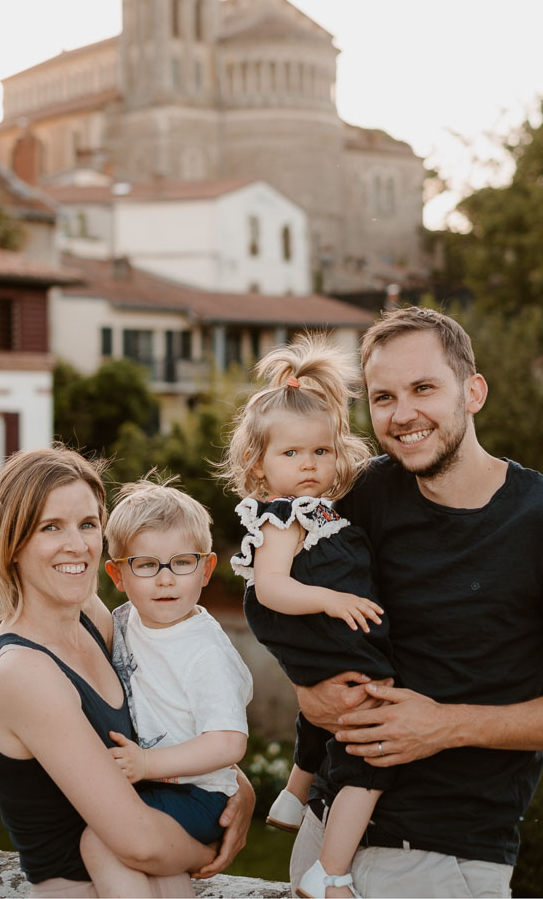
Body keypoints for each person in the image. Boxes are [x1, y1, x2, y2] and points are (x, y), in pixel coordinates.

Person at [290, 307, 543, 897]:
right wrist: (308, 689)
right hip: (324, 841)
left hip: (446, 858)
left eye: (424, 388)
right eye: (383, 397)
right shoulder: (364, 494)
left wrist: (444, 726)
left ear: (472, 392)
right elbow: (293, 605)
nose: (403, 415)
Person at [0, 445, 254, 898]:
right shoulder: (20, 671)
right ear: (12, 543)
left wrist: (237, 788)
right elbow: (140, 844)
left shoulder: (95, 617)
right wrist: (213, 850)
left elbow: (169, 719)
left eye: (87, 524)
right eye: (51, 527)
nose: (77, 544)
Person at [219, 337, 390, 899]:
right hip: (313, 621)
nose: (308, 465)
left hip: (324, 630)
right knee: (371, 754)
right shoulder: (281, 517)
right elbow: (270, 587)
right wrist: (330, 600)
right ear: (258, 463)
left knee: (324, 706)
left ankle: (294, 793)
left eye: (319, 452)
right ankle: (329, 872)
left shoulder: (319, 510)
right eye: (290, 455)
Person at [85, 477, 254, 897]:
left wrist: (145, 765)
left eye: (182, 562)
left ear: (207, 569)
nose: (165, 579)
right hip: (160, 786)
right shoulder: (123, 622)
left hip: (200, 795)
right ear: (118, 574)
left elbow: (229, 744)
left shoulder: (205, 652)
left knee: (100, 840)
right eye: (145, 564)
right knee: (164, 877)